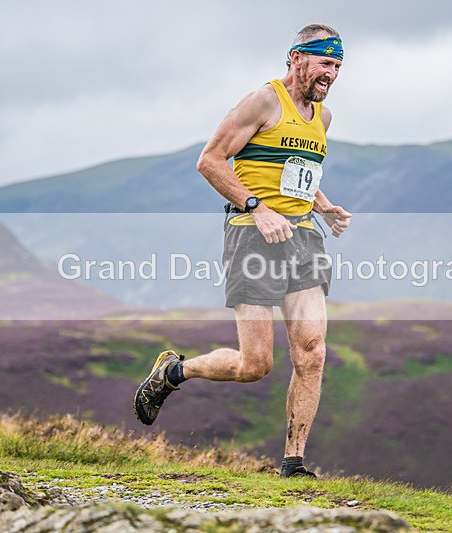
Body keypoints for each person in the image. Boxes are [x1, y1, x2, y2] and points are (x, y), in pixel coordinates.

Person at [134, 23, 351, 478]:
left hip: (304, 237)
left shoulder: (323, 118)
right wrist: (256, 206)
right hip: (252, 234)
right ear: (297, 58)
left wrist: (324, 207)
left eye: (337, 65)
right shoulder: (263, 101)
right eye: (324, 62)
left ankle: (293, 463)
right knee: (256, 365)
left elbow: (297, 172)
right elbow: (210, 160)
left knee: (311, 352)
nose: (331, 73)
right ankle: (174, 372)